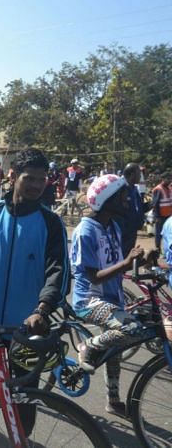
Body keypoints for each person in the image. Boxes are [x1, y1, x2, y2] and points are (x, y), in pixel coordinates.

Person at [0, 148, 69, 443]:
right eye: (29, 178)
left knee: (23, 398)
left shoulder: (51, 223)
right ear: (13, 176)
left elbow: (58, 272)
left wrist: (42, 310)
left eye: (41, 180)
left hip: (27, 330)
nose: (35, 185)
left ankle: (19, 440)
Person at [71, 174, 147, 417]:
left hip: (112, 298)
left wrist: (141, 260)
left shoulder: (112, 225)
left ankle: (112, 401)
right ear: (107, 199)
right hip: (89, 300)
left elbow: (118, 261)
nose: (127, 202)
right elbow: (94, 276)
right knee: (131, 330)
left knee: (114, 348)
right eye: (123, 197)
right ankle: (87, 345)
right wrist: (127, 263)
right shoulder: (85, 231)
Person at [115, 163, 149, 258]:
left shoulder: (134, 189)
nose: (141, 177)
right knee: (120, 257)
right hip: (122, 232)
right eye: (139, 174)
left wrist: (151, 205)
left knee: (127, 257)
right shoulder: (120, 188)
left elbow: (139, 208)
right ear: (132, 175)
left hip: (132, 231)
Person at [152, 176, 172, 249]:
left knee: (168, 233)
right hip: (160, 216)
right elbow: (155, 203)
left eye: (170, 179)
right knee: (159, 233)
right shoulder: (158, 189)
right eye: (168, 179)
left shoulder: (169, 188)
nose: (169, 181)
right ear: (162, 179)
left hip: (169, 215)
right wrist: (156, 216)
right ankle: (157, 249)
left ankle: (167, 248)